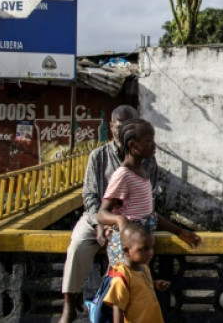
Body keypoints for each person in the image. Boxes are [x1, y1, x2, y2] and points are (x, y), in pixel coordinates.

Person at [59, 105, 157, 323]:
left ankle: (116, 308)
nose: (122, 130)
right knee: (77, 246)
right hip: (99, 215)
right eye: (118, 125)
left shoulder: (147, 159)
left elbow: (150, 196)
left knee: (136, 254)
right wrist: (99, 224)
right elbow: (90, 195)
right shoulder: (99, 156)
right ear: (111, 126)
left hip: (131, 220)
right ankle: (69, 304)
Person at [97, 119, 201, 267]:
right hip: (126, 248)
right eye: (149, 141)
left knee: (139, 284)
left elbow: (149, 215)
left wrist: (180, 232)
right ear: (133, 145)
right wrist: (120, 220)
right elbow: (102, 214)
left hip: (141, 245)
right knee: (122, 284)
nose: (154, 145)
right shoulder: (123, 175)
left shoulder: (142, 172)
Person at [102, 223, 170, 323]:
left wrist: (155, 285)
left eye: (152, 248)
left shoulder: (144, 267)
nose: (150, 253)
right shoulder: (122, 277)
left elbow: (138, 289)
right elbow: (118, 309)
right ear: (126, 250)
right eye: (144, 249)